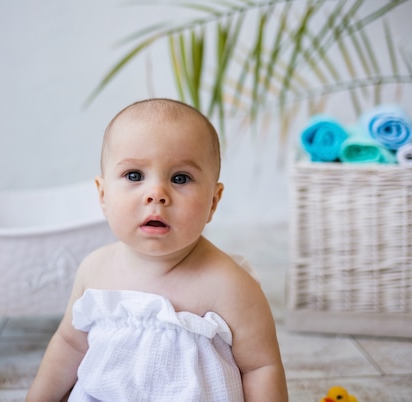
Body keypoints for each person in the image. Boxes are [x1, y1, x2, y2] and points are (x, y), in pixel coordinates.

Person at [26, 98, 288, 401]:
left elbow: (260, 367)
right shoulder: (95, 270)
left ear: (213, 202)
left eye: (180, 178)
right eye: (134, 175)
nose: (157, 194)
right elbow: (70, 344)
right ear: (103, 195)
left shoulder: (229, 286)